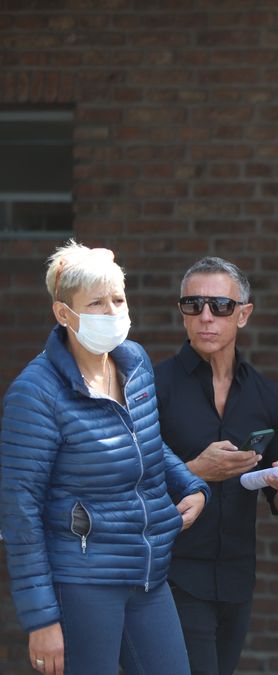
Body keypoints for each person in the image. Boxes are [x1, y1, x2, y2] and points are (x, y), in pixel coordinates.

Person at [1, 241, 210, 675]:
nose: (112, 311)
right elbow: (18, 509)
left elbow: (147, 445)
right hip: (82, 580)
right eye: (96, 302)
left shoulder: (133, 363)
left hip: (147, 569)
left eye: (118, 299)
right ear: (63, 314)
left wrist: (191, 485)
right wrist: (41, 618)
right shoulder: (36, 392)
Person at [155, 256, 278, 675]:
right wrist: (194, 471)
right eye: (193, 305)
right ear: (182, 312)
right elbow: (124, 483)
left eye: (220, 306)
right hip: (170, 575)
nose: (206, 317)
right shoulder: (152, 388)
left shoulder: (267, 397)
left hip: (237, 576)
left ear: (244, 314)